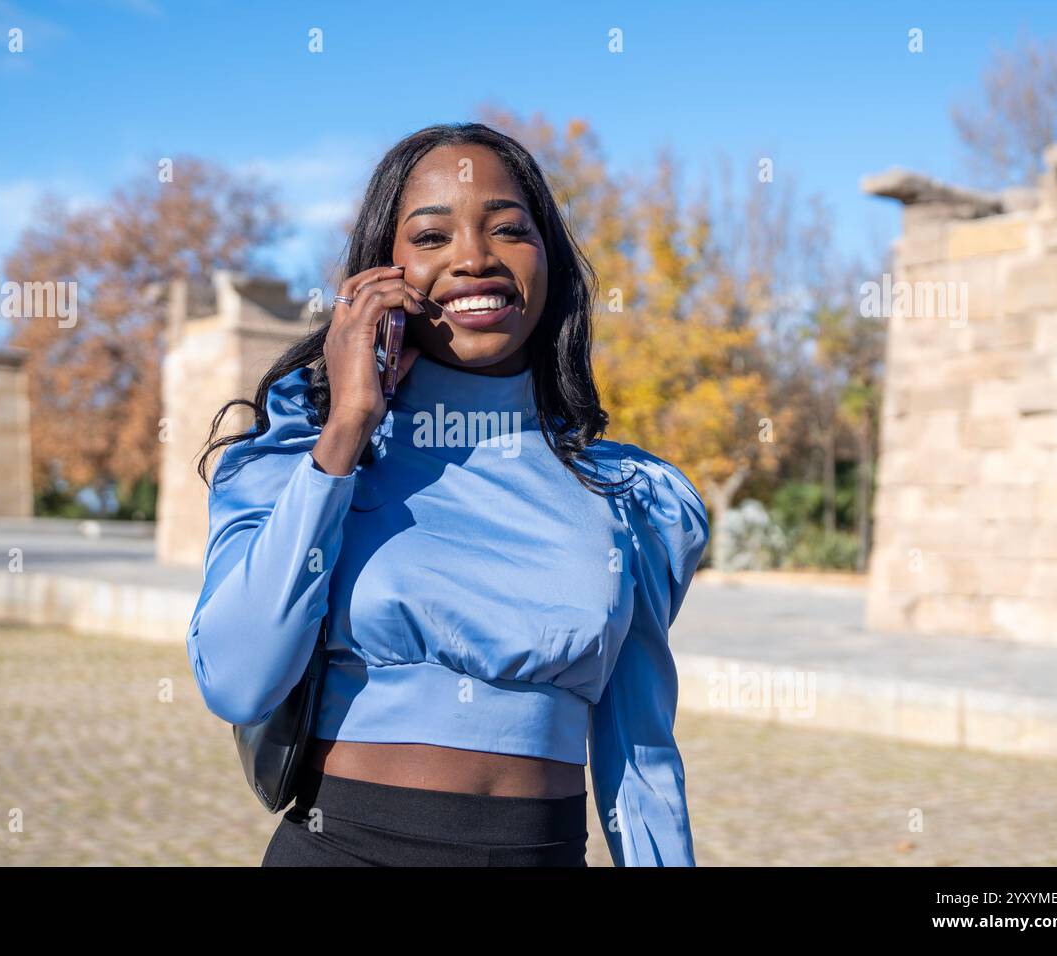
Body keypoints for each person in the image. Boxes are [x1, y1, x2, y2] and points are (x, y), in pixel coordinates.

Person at [186, 122, 709, 866]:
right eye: (431, 238)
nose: (474, 258)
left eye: (507, 229)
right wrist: (347, 429)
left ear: (548, 262)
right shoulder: (301, 454)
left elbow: (641, 753)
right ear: (381, 273)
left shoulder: (629, 497)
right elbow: (238, 680)